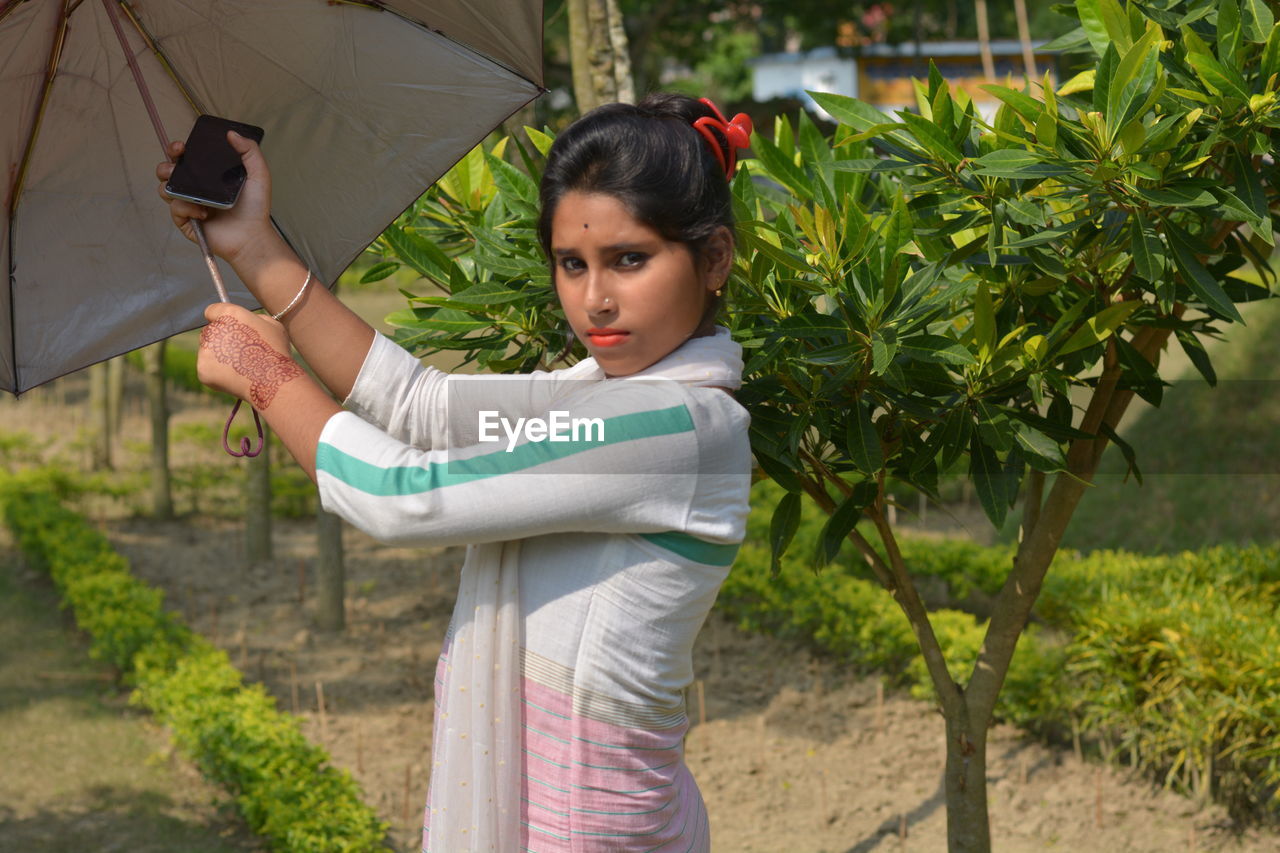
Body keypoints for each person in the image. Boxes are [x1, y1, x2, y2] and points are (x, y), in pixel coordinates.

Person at [156, 92, 755, 852]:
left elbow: (404, 495)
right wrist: (256, 250)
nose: (595, 299)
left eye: (629, 259)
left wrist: (268, 379)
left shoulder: (675, 430)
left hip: (586, 828)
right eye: (572, 264)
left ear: (714, 259)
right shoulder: (597, 402)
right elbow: (422, 404)